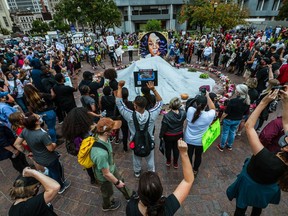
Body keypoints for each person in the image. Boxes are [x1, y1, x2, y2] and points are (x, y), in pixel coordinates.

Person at [226, 87, 288, 216]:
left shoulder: (266, 157)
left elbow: (249, 127)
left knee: (241, 207)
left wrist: (264, 102)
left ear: (286, 147)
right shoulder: (283, 160)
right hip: (267, 187)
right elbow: (286, 123)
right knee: (258, 207)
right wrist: (286, 101)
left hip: (250, 184)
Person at [126, 139, 194, 215]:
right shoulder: (167, 207)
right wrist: (183, 152)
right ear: (160, 192)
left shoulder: (131, 207)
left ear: (140, 194)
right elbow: (188, 180)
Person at [13, 112, 70, 194]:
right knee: (56, 172)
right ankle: (60, 187)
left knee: (51, 170)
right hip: (49, 159)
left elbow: (16, 144)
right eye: (38, 117)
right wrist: (54, 143)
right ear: (36, 122)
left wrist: (28, 153)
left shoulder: (25, 130)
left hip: (38, 158)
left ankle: (52, 182)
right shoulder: (41, 134)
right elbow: (50, 149)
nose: (40, 117)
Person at [116, 80, 163, 178]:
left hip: (135, 140)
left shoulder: (129, 115)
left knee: (136, 156)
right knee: (150, 157)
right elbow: (160, 103)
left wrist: (119, 87)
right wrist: (153, 89)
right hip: (149, 140)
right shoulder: (152, 114)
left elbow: (119, 104)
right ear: (145, 105)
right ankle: (151, 171)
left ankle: (137, 172)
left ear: (135, 106)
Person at [91, 117, 134, 211]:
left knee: (121, 180)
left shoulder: (101, 135)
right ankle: (107, 205)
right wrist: (117, 183)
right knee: (108, 192)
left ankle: (129, 195)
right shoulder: (100, 154)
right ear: (107, 133)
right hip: (105, 176)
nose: (115, 130)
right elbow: (106, 174)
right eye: (113, 129)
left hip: (111, 167)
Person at [61, 107, 97, 185]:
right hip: (89, 148)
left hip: (80, 151)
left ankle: (92, 178)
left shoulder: (70, 128)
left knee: (87, 165)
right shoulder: (85, 128)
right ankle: (96, 175)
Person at [184, 93, 215, 176]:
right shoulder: (209, 115)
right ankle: (195, 170)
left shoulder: (190, 110)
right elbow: (212, 108)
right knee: (198, 156)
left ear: (196, 103)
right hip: (201, 141)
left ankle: (189, 169)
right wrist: (208, 96)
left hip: (189, 139)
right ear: (205, 106)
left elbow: (189, 104)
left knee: (189, 155)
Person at [218, 84, 250, 151]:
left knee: (225, 133)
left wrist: (221, 119)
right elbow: (245, 113)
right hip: (237, 119)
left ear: (238, 92)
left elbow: (226, 113)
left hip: (229, 119)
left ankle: (221, 146)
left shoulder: (233, 101)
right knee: (232, 132)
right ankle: (229, 145)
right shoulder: (247, 101)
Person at [159, 97, 186, 168]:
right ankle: (175, 163)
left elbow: (163, 128)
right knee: (176, 149)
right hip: (179, 134)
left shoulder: (167, 116)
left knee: (168, 149)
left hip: (168, 136)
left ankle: (168, 161)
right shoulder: (183, 113)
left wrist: (161, 135)